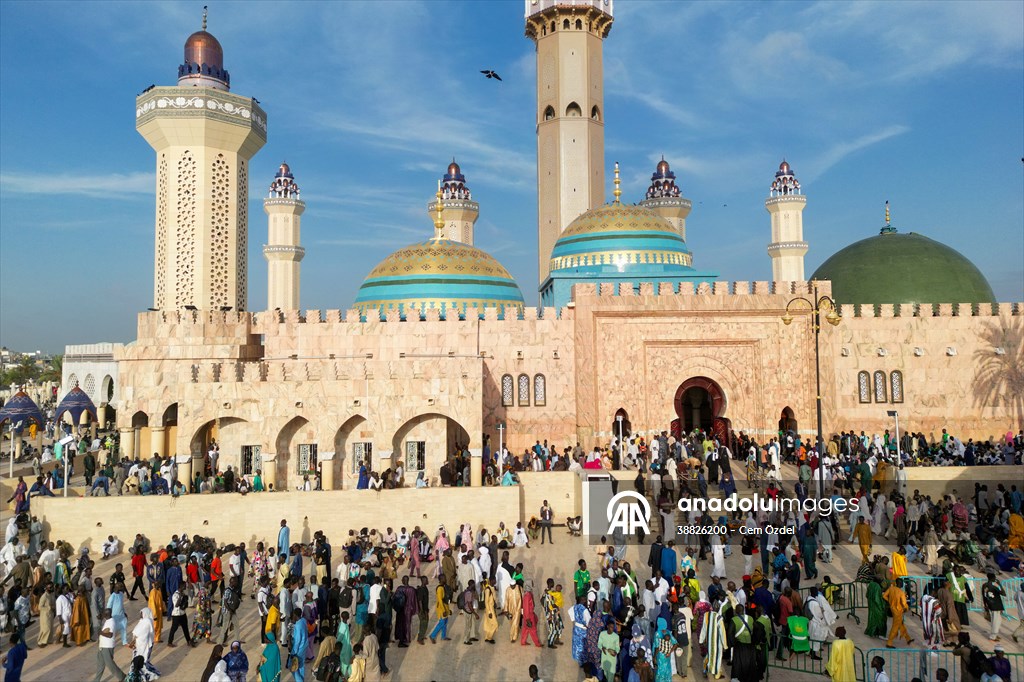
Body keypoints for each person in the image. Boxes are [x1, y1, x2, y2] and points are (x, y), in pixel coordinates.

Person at [95, 608, 124, 682]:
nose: (102, 614)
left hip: (107, 646)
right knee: (100, 665)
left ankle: (122, 676)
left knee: (110, 664)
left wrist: (100, 633)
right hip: (102, 646)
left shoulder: (111, 622)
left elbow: (110, 635)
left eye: (103, 613)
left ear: (106, 614)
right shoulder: (108, 620)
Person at [883, 579, 913, 648]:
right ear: (900, 584)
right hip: (898, 611)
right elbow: (904, 603)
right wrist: (906, 608)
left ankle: (908, 638)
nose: (903, 584)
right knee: (895, 627)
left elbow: (884, 596)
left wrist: (890, 601)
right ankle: (889, 643)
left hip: (892, 609)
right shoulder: (901, 592)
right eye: (902, 583)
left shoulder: (891, 588)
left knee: (900, 624)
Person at [981, 572, 1005, 642]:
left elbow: (984, 596)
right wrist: (1000, 584)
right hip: (996, 605)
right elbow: (1003, 593)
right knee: (996, 621)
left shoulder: (984, 585)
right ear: (993, 578)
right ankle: (993, 636)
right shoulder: (994, 586)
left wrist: (985, 605)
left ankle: (995, 634)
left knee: (996, 620)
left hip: (990, 604)